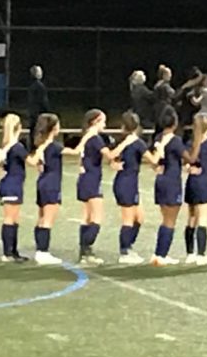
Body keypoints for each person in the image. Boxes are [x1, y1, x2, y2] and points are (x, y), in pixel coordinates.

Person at [27, 113, 92, 265]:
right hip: (52, 184)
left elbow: (36, 163)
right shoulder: (54, 146)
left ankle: (40, 250)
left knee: (41, 218)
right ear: (54, 128)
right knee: (48, 220)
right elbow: (75, 152)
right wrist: (87, 137)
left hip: (42, 182)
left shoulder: (40, 145)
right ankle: (43, 252)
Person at [108, 111, 160, 264]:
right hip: (126, 184)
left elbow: (112, 160)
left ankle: (128, 246)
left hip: (126, 182)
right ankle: (124, 252)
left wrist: (115, 164)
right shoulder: (136, 142)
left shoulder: (125, 141)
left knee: (139, 218)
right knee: (128, 219)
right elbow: (153, 160)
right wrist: (160, 148)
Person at [76, 109, 123, 265]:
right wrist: (127, 143)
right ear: (95, 121)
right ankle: (87, 250)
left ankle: (84, 252)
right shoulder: (95, 138)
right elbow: (109, 155)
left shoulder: (86, 137)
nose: (105, 124)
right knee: (97, 217)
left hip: (84, 178)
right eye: (103, 121)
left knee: (87, 217)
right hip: (91, 179)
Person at [0, 114, 29, 262]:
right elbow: (31, 160)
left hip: (9, 183)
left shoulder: (6, 146)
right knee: (10, 218)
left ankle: (13, 251)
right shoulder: (17, 147)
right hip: (12, 184)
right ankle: (7, 252)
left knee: (14, 218)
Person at [151, 107, 188, 266]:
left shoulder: (158, 138)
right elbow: (188, 157)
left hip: (160, 179)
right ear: (175, 123)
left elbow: (155, 160)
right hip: (172, 181)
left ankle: (158, 253)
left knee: (165, 218)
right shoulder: (175, 140)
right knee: (170, 220)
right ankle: (162, 255)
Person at [183, 112, 207, 265]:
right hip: (205, 184)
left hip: (192, 183)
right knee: (203, 220)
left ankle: (190, 253)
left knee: (191, 218)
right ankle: (201, 254)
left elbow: (186, 160)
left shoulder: (191, 143)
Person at [26, 65, 50, 149]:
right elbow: (43, 101)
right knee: (40, 131)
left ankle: (31, 147)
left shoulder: (31, 86)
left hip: (32, 112)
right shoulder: (40, 86)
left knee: (32, 131)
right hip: (39, 113)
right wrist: (47, 111)